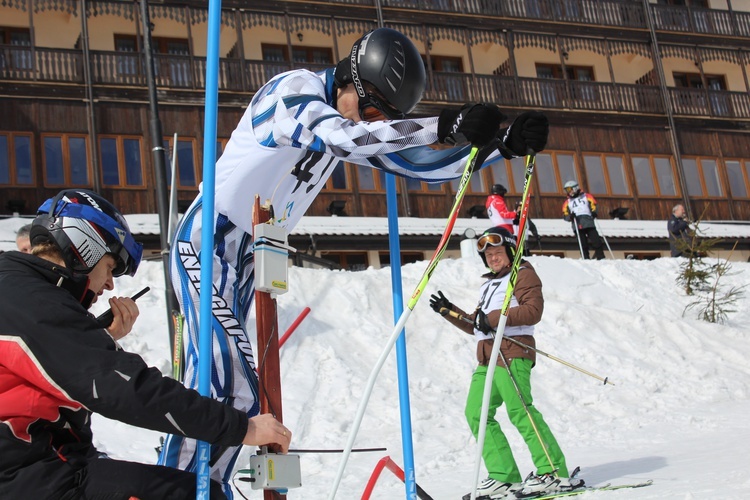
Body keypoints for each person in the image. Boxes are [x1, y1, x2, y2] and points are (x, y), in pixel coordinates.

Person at [159, 26, 550, 491]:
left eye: (377, 117)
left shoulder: (350, 123)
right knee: (227, 376)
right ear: (349, 80)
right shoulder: (294, 93)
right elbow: (346, 138)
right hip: (210, 239)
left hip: (250, 256)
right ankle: (176, 487)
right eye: (368, 109)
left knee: (238, 386)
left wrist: (499, 145)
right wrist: (442, 124)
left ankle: (201, 483)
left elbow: (416, 162)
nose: (369, 121)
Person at [0, 189, 291, 500]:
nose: (110, 284)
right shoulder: (31, 300)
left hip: (37, 469)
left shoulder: (19, 291)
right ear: (83, 247)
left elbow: (47, 371)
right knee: (197, 496)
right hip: (30, 478)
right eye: (110, 267)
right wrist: (241, 427)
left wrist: (99, 339)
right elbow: (124, 388)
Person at [429, 227, 582, 499]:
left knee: (520, 411)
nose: (493, 258)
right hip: (487, 357)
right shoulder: (489, 283)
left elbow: (533, 311)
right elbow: (478, 326)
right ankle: (504, 476)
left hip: (512, 352)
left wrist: (491, 318)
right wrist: (450, 312)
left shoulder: (522, 274)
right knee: (476, 413)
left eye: (498, 253)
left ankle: (554, 472)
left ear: (510, 251)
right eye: (488, 255)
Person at [561, 180, 605, 260]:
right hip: (577, 223)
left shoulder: (586, 196)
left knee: (596, 240)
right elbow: (565, 215)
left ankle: (600, 257)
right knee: (582, 243)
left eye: (569, 189)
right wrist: (570, 217)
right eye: (567, 190)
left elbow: (594, 205)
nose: (568, 192)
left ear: (575, 188)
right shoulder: (567, 202)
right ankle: (585, 258)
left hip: (588, 221)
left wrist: (594, 212)